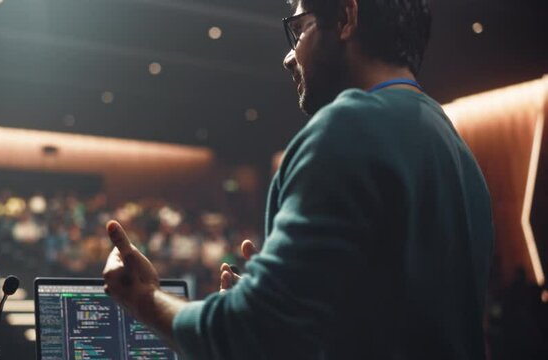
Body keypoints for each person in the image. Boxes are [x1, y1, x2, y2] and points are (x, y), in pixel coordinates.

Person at [102, 0, 494, 359]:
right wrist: (281, 292)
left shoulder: (348, 127)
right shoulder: (455, 151)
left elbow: (250, 337)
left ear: (345, 17)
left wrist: (145, 299)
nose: (289, 57)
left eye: (300, 27)